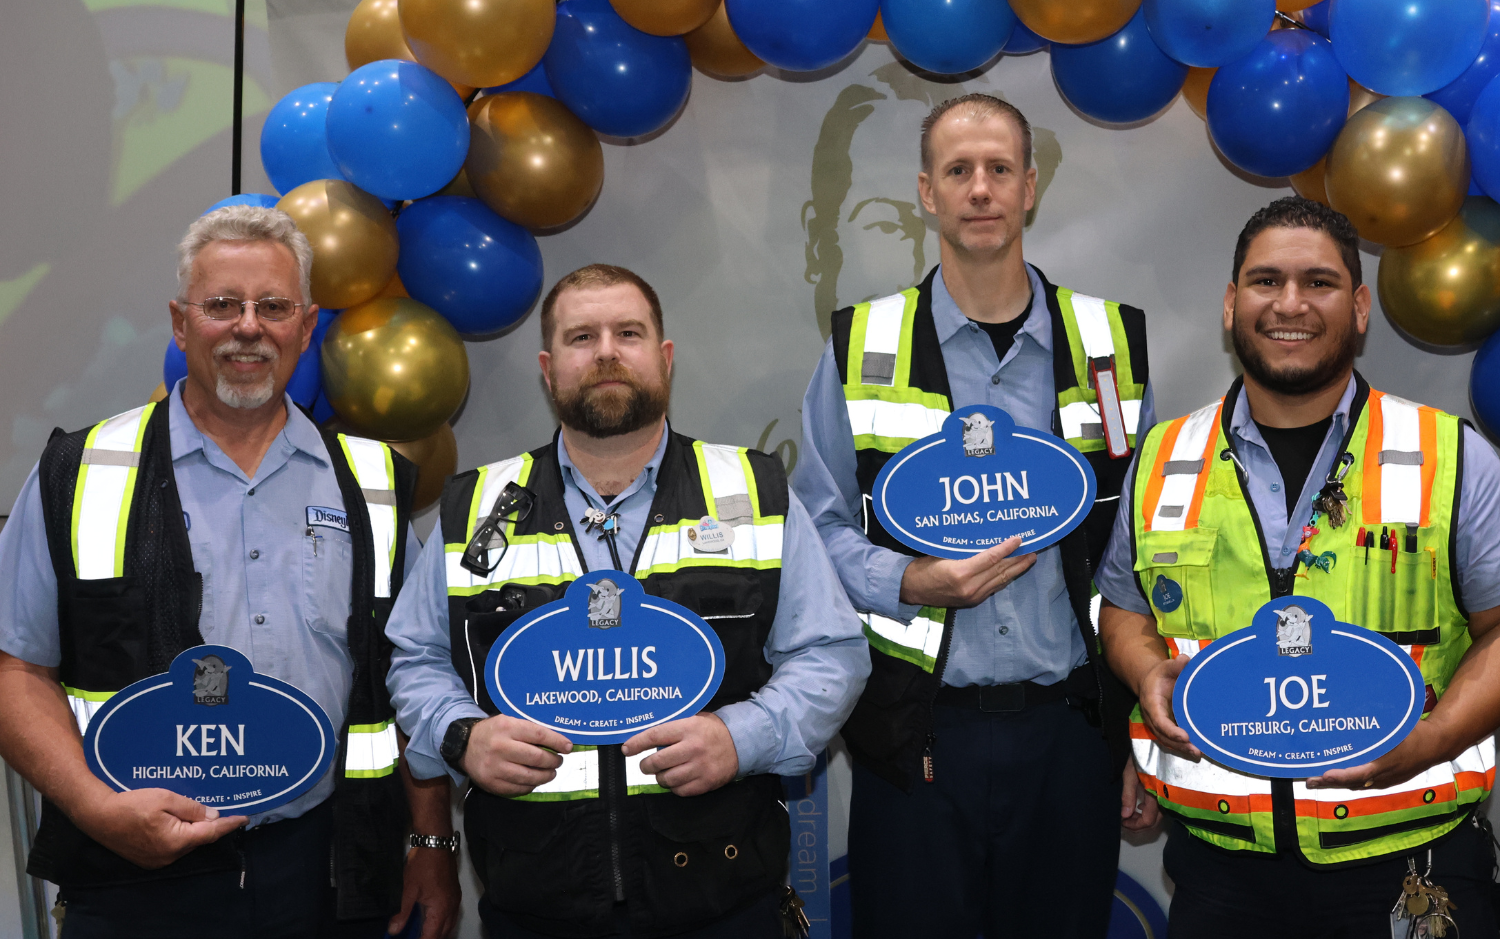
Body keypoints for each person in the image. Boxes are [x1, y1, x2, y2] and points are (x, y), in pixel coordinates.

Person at [0, 205, 458, 939]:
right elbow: (15, 669)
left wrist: (431, 842)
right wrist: (93, 808)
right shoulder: (81, 472)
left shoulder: (372, 485)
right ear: (180, 324)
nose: (249, 327)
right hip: (134, 875)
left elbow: (406, 673)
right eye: (221, 306)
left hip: (329, 874)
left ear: (306, 328)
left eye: (273, 307)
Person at [1100, 199, 1500, 937]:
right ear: (1230, 303)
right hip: (1220, 874)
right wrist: (1147, 672)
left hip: (1411, 864)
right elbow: (1124, 608)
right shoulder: (1163, 458)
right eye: (1265, 281)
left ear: (1360, 306)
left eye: (1319, 282)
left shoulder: (1449, 454)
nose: (1290, 304)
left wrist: (1430, 743)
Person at [385, 263, 869, 939]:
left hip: (722, 898)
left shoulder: (756, 495)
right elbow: (415, 659)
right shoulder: (476, 509)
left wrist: (741, 738)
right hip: (537, 904)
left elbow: (832, 654)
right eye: (583, 337)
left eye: (629, 333)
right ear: (549, 369)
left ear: (664, 359)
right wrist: (462, 737)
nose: (607, 351)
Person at [793, 93, 1156, 938]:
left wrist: (1134, 725)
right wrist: (907, 579)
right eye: (959, 171)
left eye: (1000, 170)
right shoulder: (860, 345)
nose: (981, 189)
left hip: (1071, 736)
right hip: (917, 739)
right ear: (928, 192)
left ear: (1031, 187)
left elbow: (1137, 553)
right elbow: (814, 531)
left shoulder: (1108, 343)